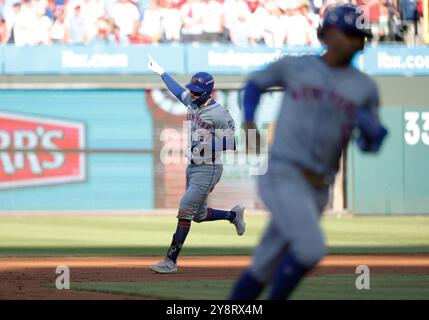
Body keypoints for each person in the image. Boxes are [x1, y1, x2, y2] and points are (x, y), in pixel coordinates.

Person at [229, 4, 388, 300]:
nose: (356, 42)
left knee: (264, 267)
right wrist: (250, 122)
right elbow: (254, 85)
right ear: (328, 33)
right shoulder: (296, 66)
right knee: (311, 247)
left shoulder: (365, 88)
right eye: (350, 34)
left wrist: (372, 134)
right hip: (283, 173)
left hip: (319, 188)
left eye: (361, 37)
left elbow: (369, 146)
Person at [147, 54, 246, 274]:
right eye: (191, 89)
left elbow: (233, 141)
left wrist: (207, 147)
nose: (191, 93)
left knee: (185, 209)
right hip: (192, 167)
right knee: (198, 215)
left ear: (208, 93)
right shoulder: (193, 100)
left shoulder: (220, 113)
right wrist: (161, 71)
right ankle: (233, 215)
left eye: (196, 91)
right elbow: (176, 90)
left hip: (208, 168)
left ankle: (170, 260)